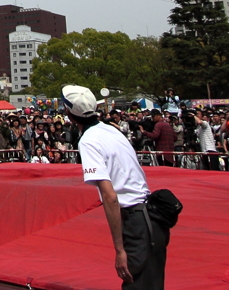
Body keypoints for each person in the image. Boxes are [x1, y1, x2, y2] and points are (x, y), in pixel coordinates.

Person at [64, 85, 168, 290]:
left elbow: (110, 196)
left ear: (70, 115)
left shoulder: (88, 141)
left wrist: (119, 250)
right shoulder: (112, 130)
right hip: (153, 215)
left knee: (136, 283)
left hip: (134, 218)